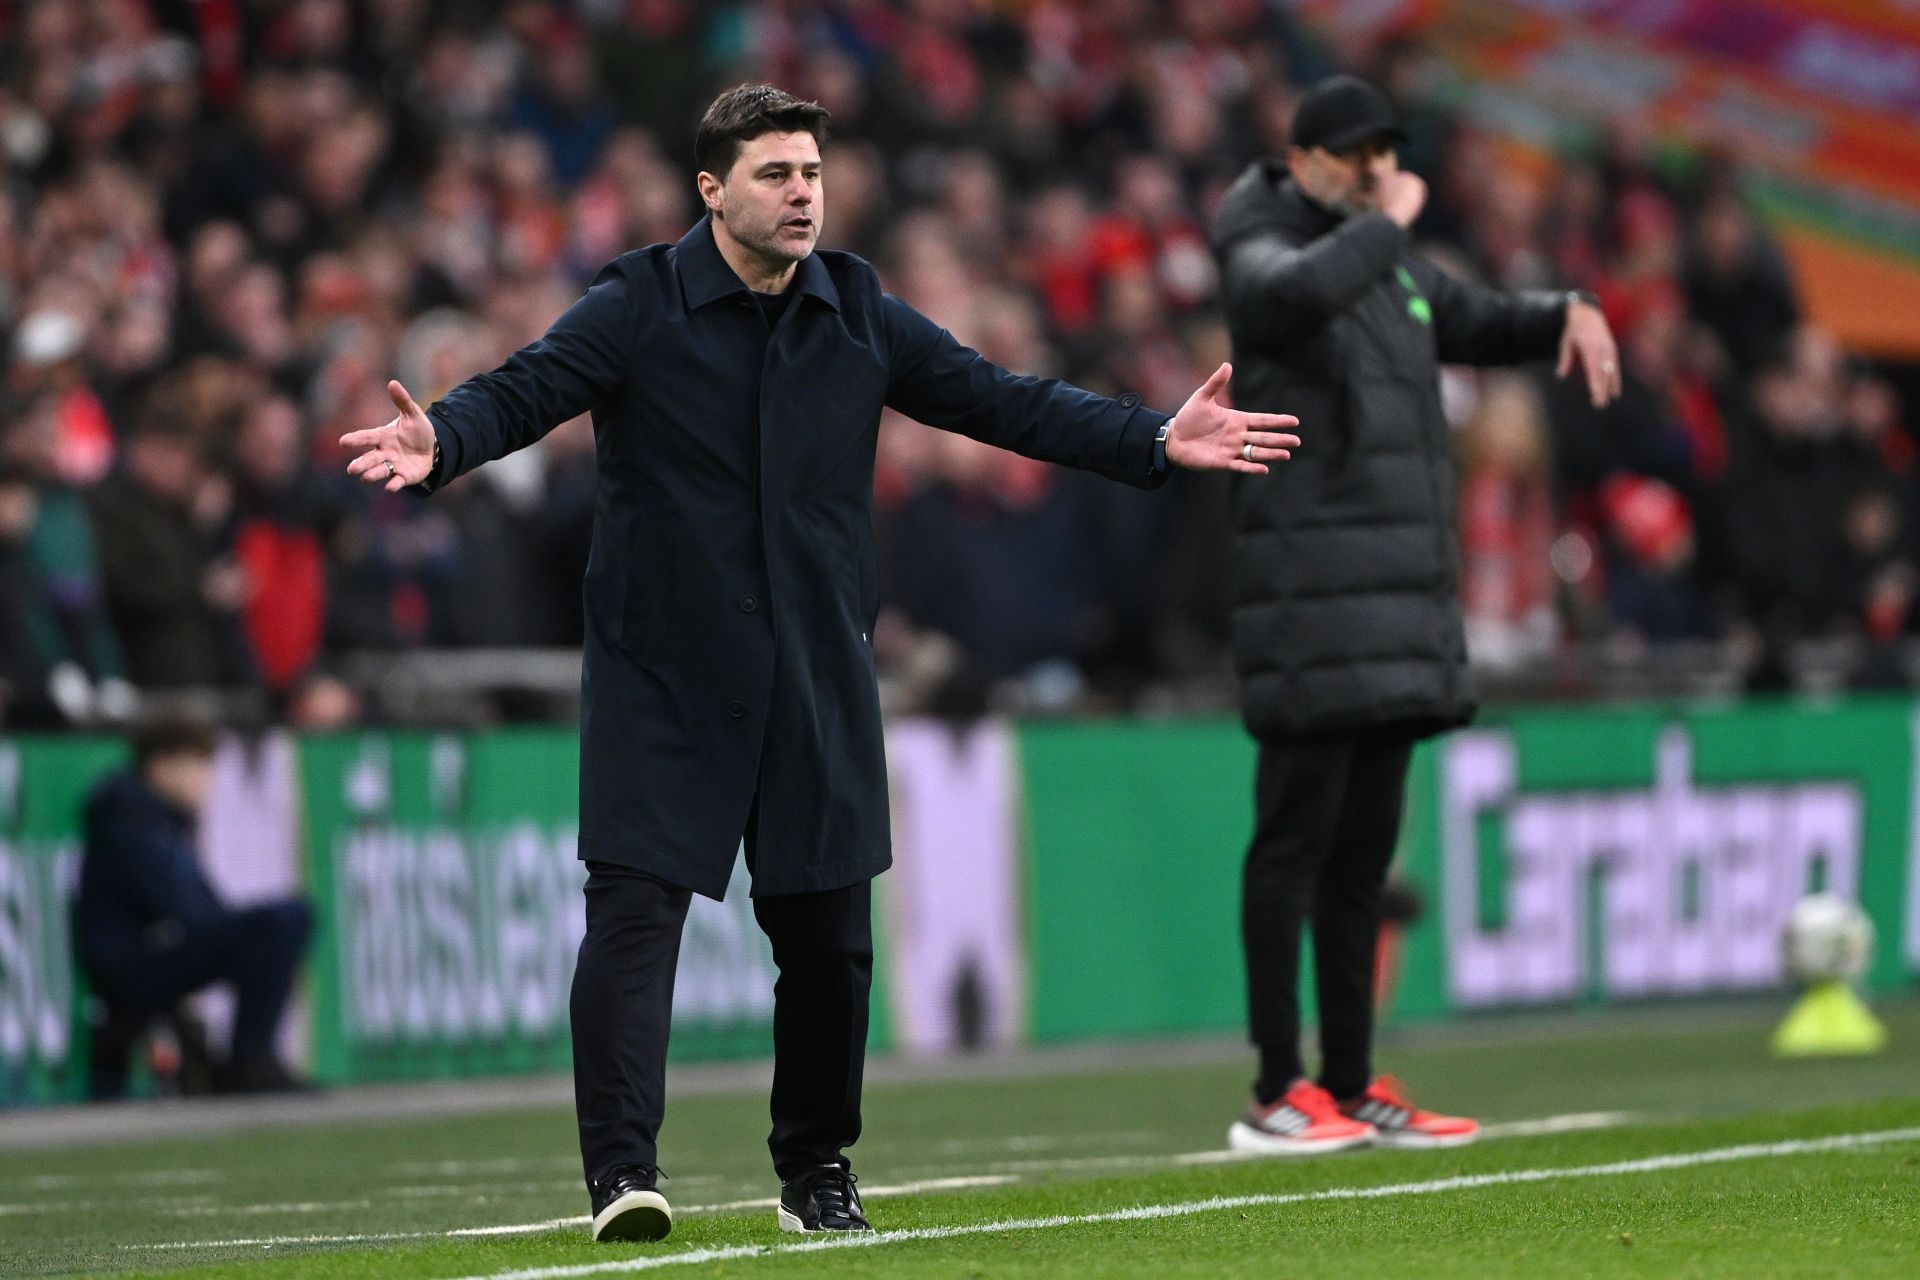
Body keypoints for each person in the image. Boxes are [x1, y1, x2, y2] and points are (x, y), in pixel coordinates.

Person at [339, 84, 1299, 1243]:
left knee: (832, 942)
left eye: (811, 174)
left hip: (813, 670)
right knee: (634, 920)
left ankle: (815, 1166)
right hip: (664, 675)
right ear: (712, 190)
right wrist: (442, 436)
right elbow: (527, 387)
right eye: (775, 175)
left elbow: (1001, 402)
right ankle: (622, 1175)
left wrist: (1151, 436)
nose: (802, 194)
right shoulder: (635, 302)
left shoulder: (856, 306)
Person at [1209, 75, 1620, 1154]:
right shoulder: (1262, 231)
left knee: (1361, 860)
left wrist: (1562, 311)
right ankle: (1273, 1086)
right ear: (1300, 162)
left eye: (1381, 153)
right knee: (1292, 845)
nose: (1372, 170)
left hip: (1395, 608)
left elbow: (1472, 315)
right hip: (1310, 596)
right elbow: (1280, 303)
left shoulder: (1386, 261)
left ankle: (1348, 1081)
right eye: (1349, 155)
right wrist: (1387, 226)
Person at [75, 714, 314, 1098]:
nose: (208, 780)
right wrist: (235, 933)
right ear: (162, 766)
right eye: (199, 765)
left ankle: (251, 1057)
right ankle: (250, 1059)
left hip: (147, 955)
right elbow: (181, 905)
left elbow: (196, 906)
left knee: (280, 922)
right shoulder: (131, 821)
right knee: (281, 923)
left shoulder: (159, 820)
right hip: (128, 966)